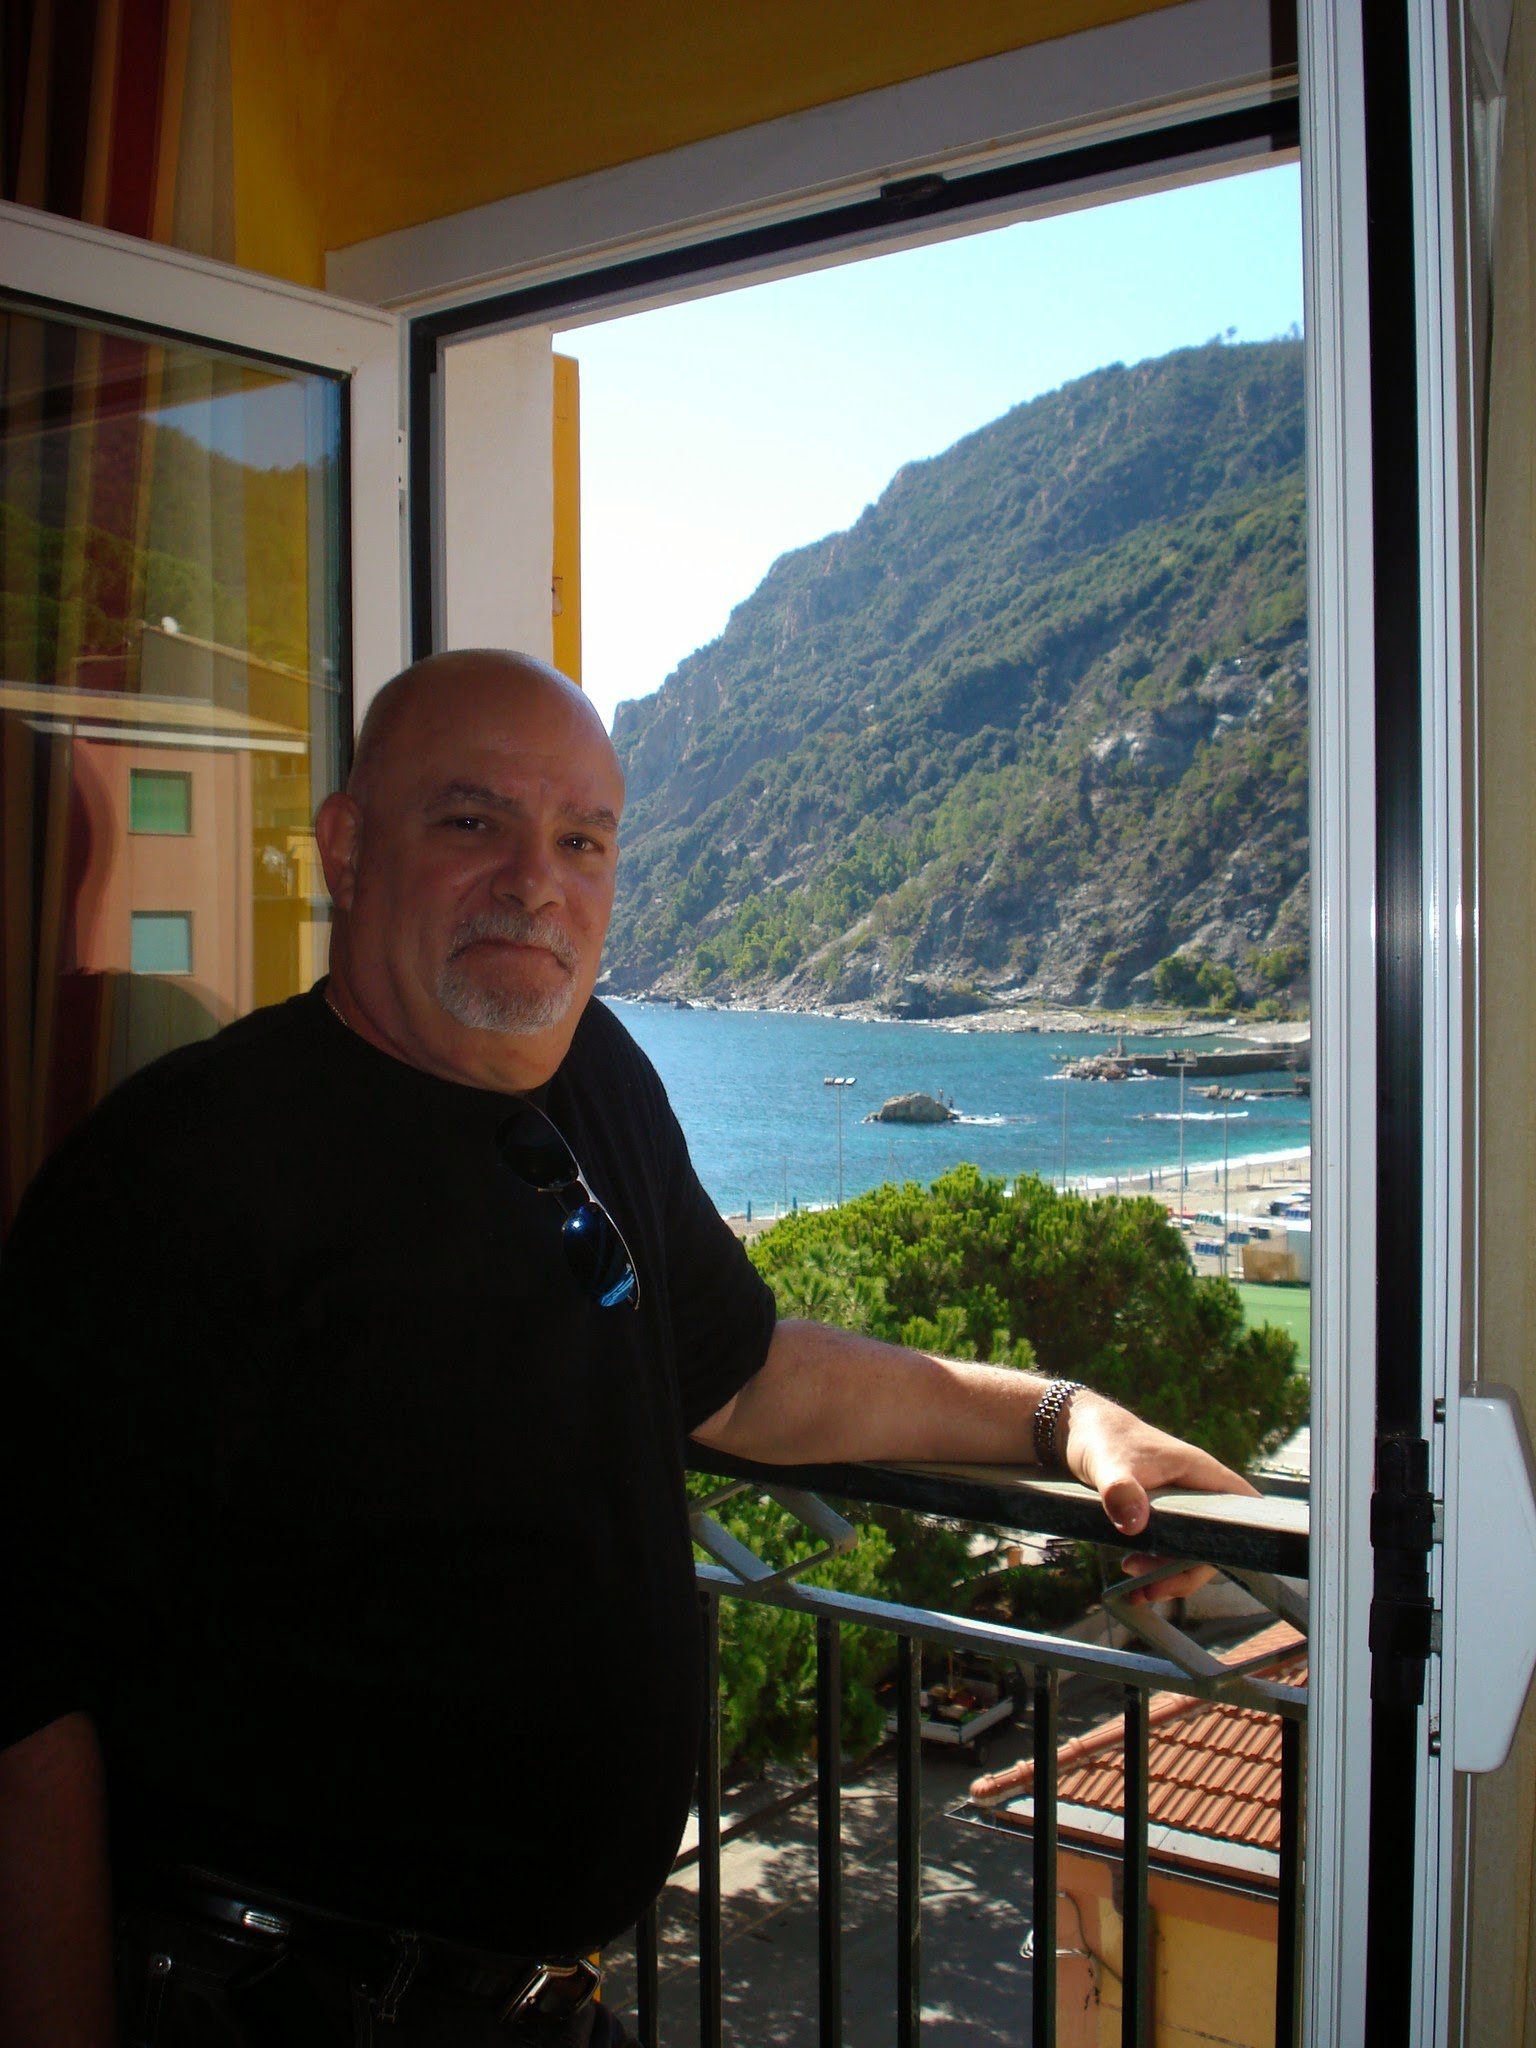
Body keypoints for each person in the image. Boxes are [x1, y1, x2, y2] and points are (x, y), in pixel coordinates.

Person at [0, 650, 1254, 2047]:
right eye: (472, 823)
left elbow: (752, 1372)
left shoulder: (591, 1074)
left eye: (581, 841)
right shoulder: (179, 1175)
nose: (536, 884)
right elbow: (25, 1693)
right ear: (349, 849)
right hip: (277, 2001)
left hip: (539, 2005)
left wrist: (1064, 1419)